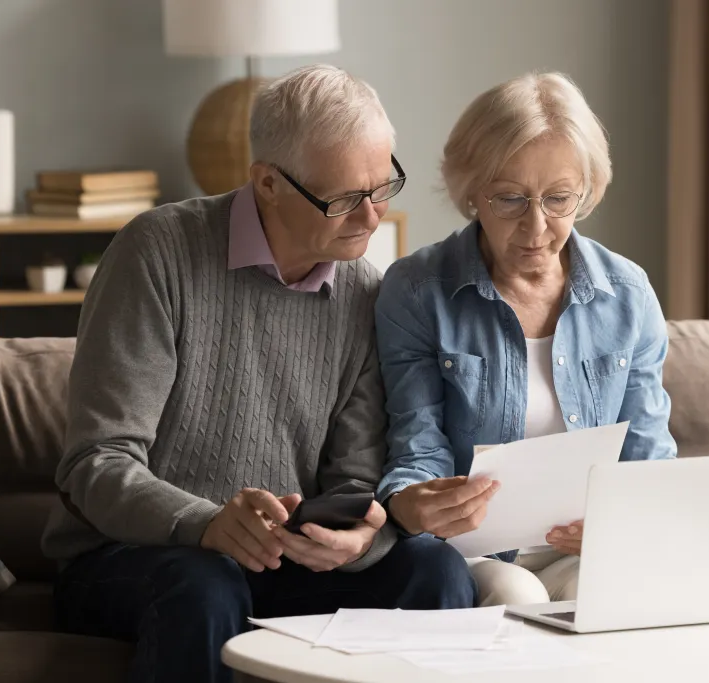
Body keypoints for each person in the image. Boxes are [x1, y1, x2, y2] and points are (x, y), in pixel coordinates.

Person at [42, 65, 476, 683]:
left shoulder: (365, 295)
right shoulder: (157, 253)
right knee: (206, 580)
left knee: (436, 572)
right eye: (346, 198)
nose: (373, 217)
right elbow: (97, 462)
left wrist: (361, 539)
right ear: (268, 183)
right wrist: (205, 523)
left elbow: (352, 477)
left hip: (281, 563)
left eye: (383, 188)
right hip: (135, 559)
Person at [374, 72, 677, 607]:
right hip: (478, 552)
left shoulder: (627, 294)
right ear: (472, 194)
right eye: (511, 199)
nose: (537, 228)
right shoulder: (419, 290)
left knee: (609, 595)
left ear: (586, 193)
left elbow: (649, 455)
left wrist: (623, 522)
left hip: (586, 548)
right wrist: (415, 501)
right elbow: (416, 446)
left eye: (559, 199)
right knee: (516, 595)